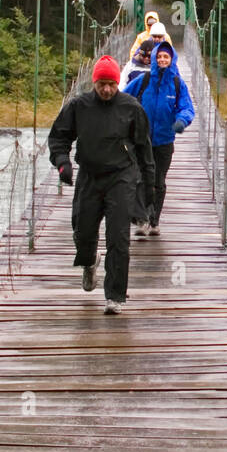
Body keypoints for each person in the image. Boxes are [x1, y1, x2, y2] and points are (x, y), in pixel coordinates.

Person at [48, 54, 155, 315]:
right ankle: (89, 260)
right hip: (89, 175)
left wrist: (149, 186)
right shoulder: (79, 106)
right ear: (94, 83)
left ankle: (115, 296)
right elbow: (59, 137)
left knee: (118, 237)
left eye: (111, 84)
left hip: (121, 176)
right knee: (83, 232)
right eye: (101, 84)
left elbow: (143, 149)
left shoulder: (132, 108)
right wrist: (63, 163)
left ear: (118, 82)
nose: (107, 89)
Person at [128, 40, 195, 236]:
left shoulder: (177, 83)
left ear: (172, 59)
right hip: (142, 139)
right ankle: (141, 219)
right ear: (155, 59)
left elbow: (187, 107)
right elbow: (123, 96)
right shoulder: (144, 80)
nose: (163, 59)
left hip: (165, 140)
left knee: (159, 181)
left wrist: (182, 121)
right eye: (159, 56)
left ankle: (154, 219)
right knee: (140, 178)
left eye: (166, 56)